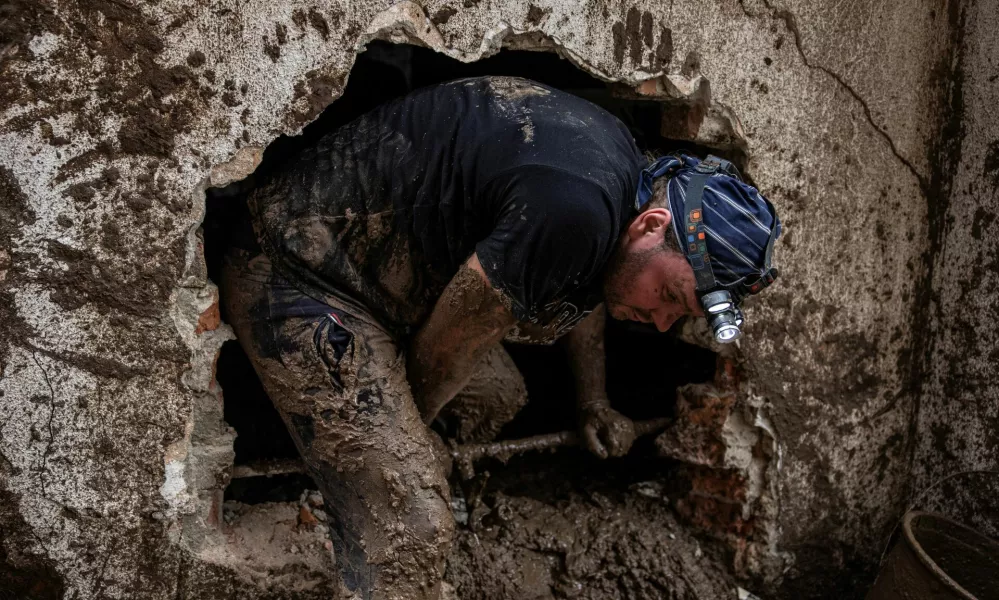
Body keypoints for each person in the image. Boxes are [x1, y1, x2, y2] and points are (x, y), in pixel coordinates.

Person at [221, 75, 780, 599]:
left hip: (386, 292)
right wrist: (414, 448)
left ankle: (366, 491)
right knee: (411, 522)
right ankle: (322, 525)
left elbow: (582, 289)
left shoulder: (628, 190)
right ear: (653, 227)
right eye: (672, 298)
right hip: (299, 270)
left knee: (495, 395)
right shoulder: (576, 208)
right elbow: (453, 342)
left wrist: (592, 400)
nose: (662, 322)